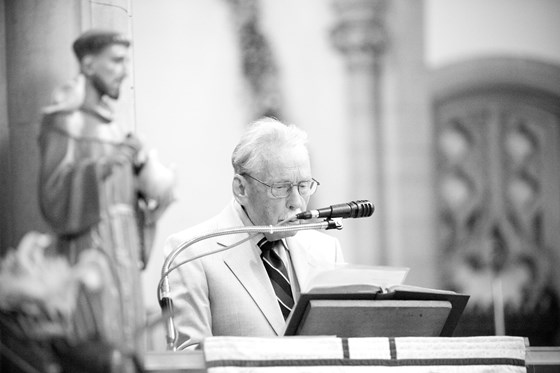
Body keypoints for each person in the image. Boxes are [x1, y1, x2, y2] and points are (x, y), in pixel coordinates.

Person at [38, 29, 174, 354]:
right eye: (115, 61)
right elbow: (53, 195)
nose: (124, 70)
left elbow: (126, 203)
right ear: (87, 64)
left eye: (125, 60)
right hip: (89, 253)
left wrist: (146, 198)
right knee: (95, 343)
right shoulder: (64, 123)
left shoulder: (114, 127)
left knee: (127, 337)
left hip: (123, 254)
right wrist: (103, 165)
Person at [163, 117, 344, 350]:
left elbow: (344, 345)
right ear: (241, 188)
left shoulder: (327, 251)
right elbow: (190, 359)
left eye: (304, 185)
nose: (296, 202)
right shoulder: (190, 253)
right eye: (280, 188)